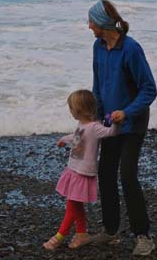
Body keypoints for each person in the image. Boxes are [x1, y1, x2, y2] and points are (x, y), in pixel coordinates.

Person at [88, 0, 157, 256]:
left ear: (103, 23)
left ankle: (144, 236)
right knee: (105, 173)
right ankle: (110, 231)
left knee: (127, 176)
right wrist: (95, 117)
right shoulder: (98, 46)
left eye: (91, 22)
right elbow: (98, 85)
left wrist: (126, 112)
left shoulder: (131, 49)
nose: (89, 27)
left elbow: (149, 89)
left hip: (133, 123)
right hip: (109, 123)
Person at [43, 89, 119, 250]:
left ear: (79, 110)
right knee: (75, 204)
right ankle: (82, 234)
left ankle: (60, 236)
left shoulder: (94, 127)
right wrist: (64, 139)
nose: (70, 112)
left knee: (72, 204)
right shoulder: (81, 125)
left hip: (83, 172)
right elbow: (77, 138)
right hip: (73, 168)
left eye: (71, 108)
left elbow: (110, 132)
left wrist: (116, 123)